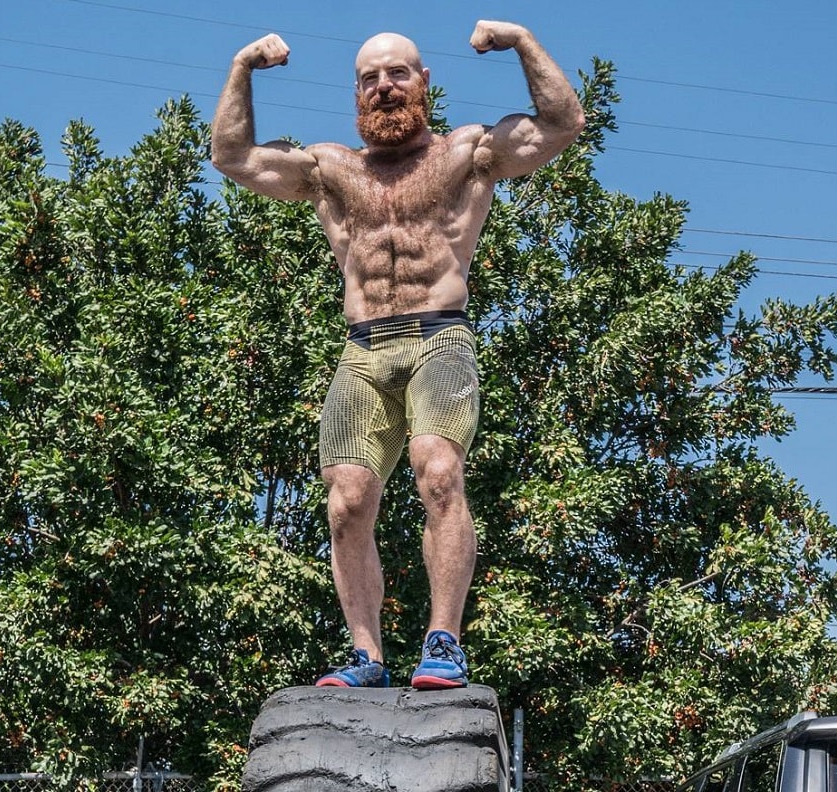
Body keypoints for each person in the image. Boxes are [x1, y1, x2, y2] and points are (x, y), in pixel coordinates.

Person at [211, 19, 585, 689]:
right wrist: (243, 66)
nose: (384, 87)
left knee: (437, 469)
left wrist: (523, 42)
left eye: (397, 74)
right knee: (347, 501)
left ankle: (443, 640)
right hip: (363, 351)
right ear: (356, 93)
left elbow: (560, 125)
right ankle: (367, 657)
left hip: (439, 335)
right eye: (370, 78)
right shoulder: (331, 171)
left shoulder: (467, 154)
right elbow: (233, 157)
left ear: (423, 83)